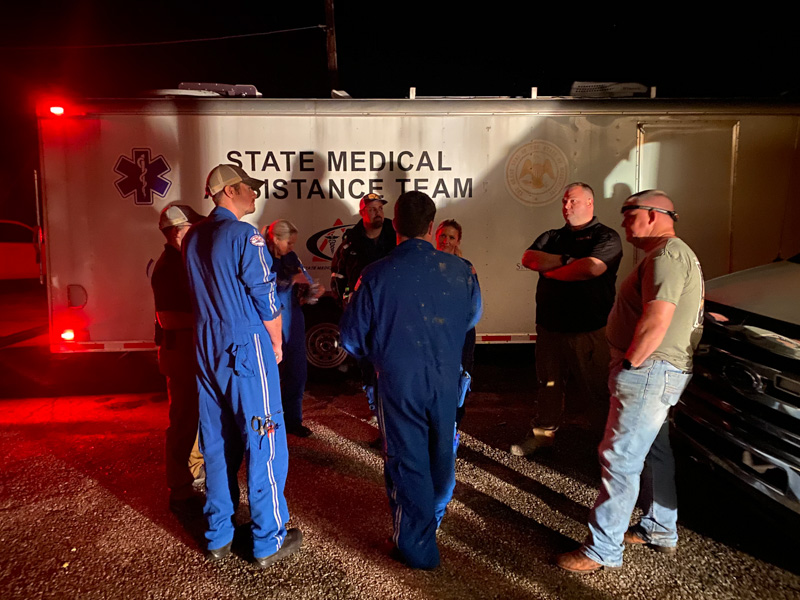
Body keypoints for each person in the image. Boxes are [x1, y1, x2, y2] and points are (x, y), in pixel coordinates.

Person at [557, 190, 703, 573]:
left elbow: (657, 320)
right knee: (654, 452)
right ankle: (659, 528)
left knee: (620, 458)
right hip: (660, 371)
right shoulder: (670, 254)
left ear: (654, 215)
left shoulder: (668, 256)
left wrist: (630, 364)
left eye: (628, 213)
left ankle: (602, 549)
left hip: (650, 371)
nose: (622, 221)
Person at [340, 191, 482, 570]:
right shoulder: (462, 271)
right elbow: (470, 319)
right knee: (441, 457)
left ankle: (417, 549)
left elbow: (352, 339)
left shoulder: (376, 274)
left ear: (395, 225)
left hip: (399, 382)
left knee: (407, 461)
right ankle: (429, 521)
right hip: (446, 381)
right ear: (432, 226)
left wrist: (385, 346)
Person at [183, 164, 302, 568]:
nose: (255, 194)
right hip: (244, 345)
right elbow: (265, 295)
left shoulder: (194, 236)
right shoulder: (244, 236)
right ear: (230, 191)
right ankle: (269, 538)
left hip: (204, 346)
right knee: (265, 441)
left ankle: (218, 534)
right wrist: (275, 341)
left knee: (216, 442)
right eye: (250, 188)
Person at [511, 182, 622, 456]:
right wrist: (565, 259)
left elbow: (589, 269)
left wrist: (553, 270)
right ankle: (543, 434)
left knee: (596, 390)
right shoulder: (552, 237)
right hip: (550, 329)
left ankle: (607, 446)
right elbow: (529, 258)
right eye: (564, 201)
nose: (566, 206)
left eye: (572, 201)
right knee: (548, 385)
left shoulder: (606, 237)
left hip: (589, 331)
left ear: (589, 203)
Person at [150, 203, 206, 514]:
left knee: (194, 419)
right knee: (183, 421)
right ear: (176, 231)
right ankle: (180, 488)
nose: (195, 232)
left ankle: (193, 472)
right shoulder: (168, 267)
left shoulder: (183, 261)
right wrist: (207, 318)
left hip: (188, 354)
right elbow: (167, 318)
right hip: (179, 355)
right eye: (191, 228)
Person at [330, 192, 397, 425]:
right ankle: (377, 413)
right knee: (369, 369)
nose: (377, 212)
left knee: (393, 367)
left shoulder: (396, 236)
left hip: (392, 316)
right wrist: (347, 305)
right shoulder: (350, 242)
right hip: (365, 319)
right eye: (372, 209)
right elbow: (337, 277)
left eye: (380, 208)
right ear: (362, 213)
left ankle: (394, 413)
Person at [264, 219, 323, 438]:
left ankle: (293, 421)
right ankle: (270, 422)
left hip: (294, 321)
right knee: (271, 377)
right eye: (289, 243)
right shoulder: (262, 257)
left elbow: (304, 287)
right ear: (275, 239)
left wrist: (312, 291)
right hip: (271, 324)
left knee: (297, 373)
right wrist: (289, 280)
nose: (291, 247)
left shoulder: (291, 257)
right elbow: (263, 288)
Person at [435, 219, 478, 426]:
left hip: (461, 332)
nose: (446, 240)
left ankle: (453, 425)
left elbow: (474, 302)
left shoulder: (466, 267)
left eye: (451, 237)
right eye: (443, 235)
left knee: (460, 379)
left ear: (458, 241)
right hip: (435, 332)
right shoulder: (428, 263)